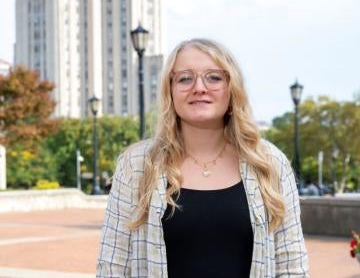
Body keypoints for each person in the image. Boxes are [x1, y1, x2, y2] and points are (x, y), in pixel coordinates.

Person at [96, 38, 309, 278]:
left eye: (214, 77)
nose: (199, 87)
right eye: (185, 78)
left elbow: (292, 266)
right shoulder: (137, 165)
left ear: (232, 89)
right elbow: (112, 265)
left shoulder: (269, 163)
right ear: (170, 91)